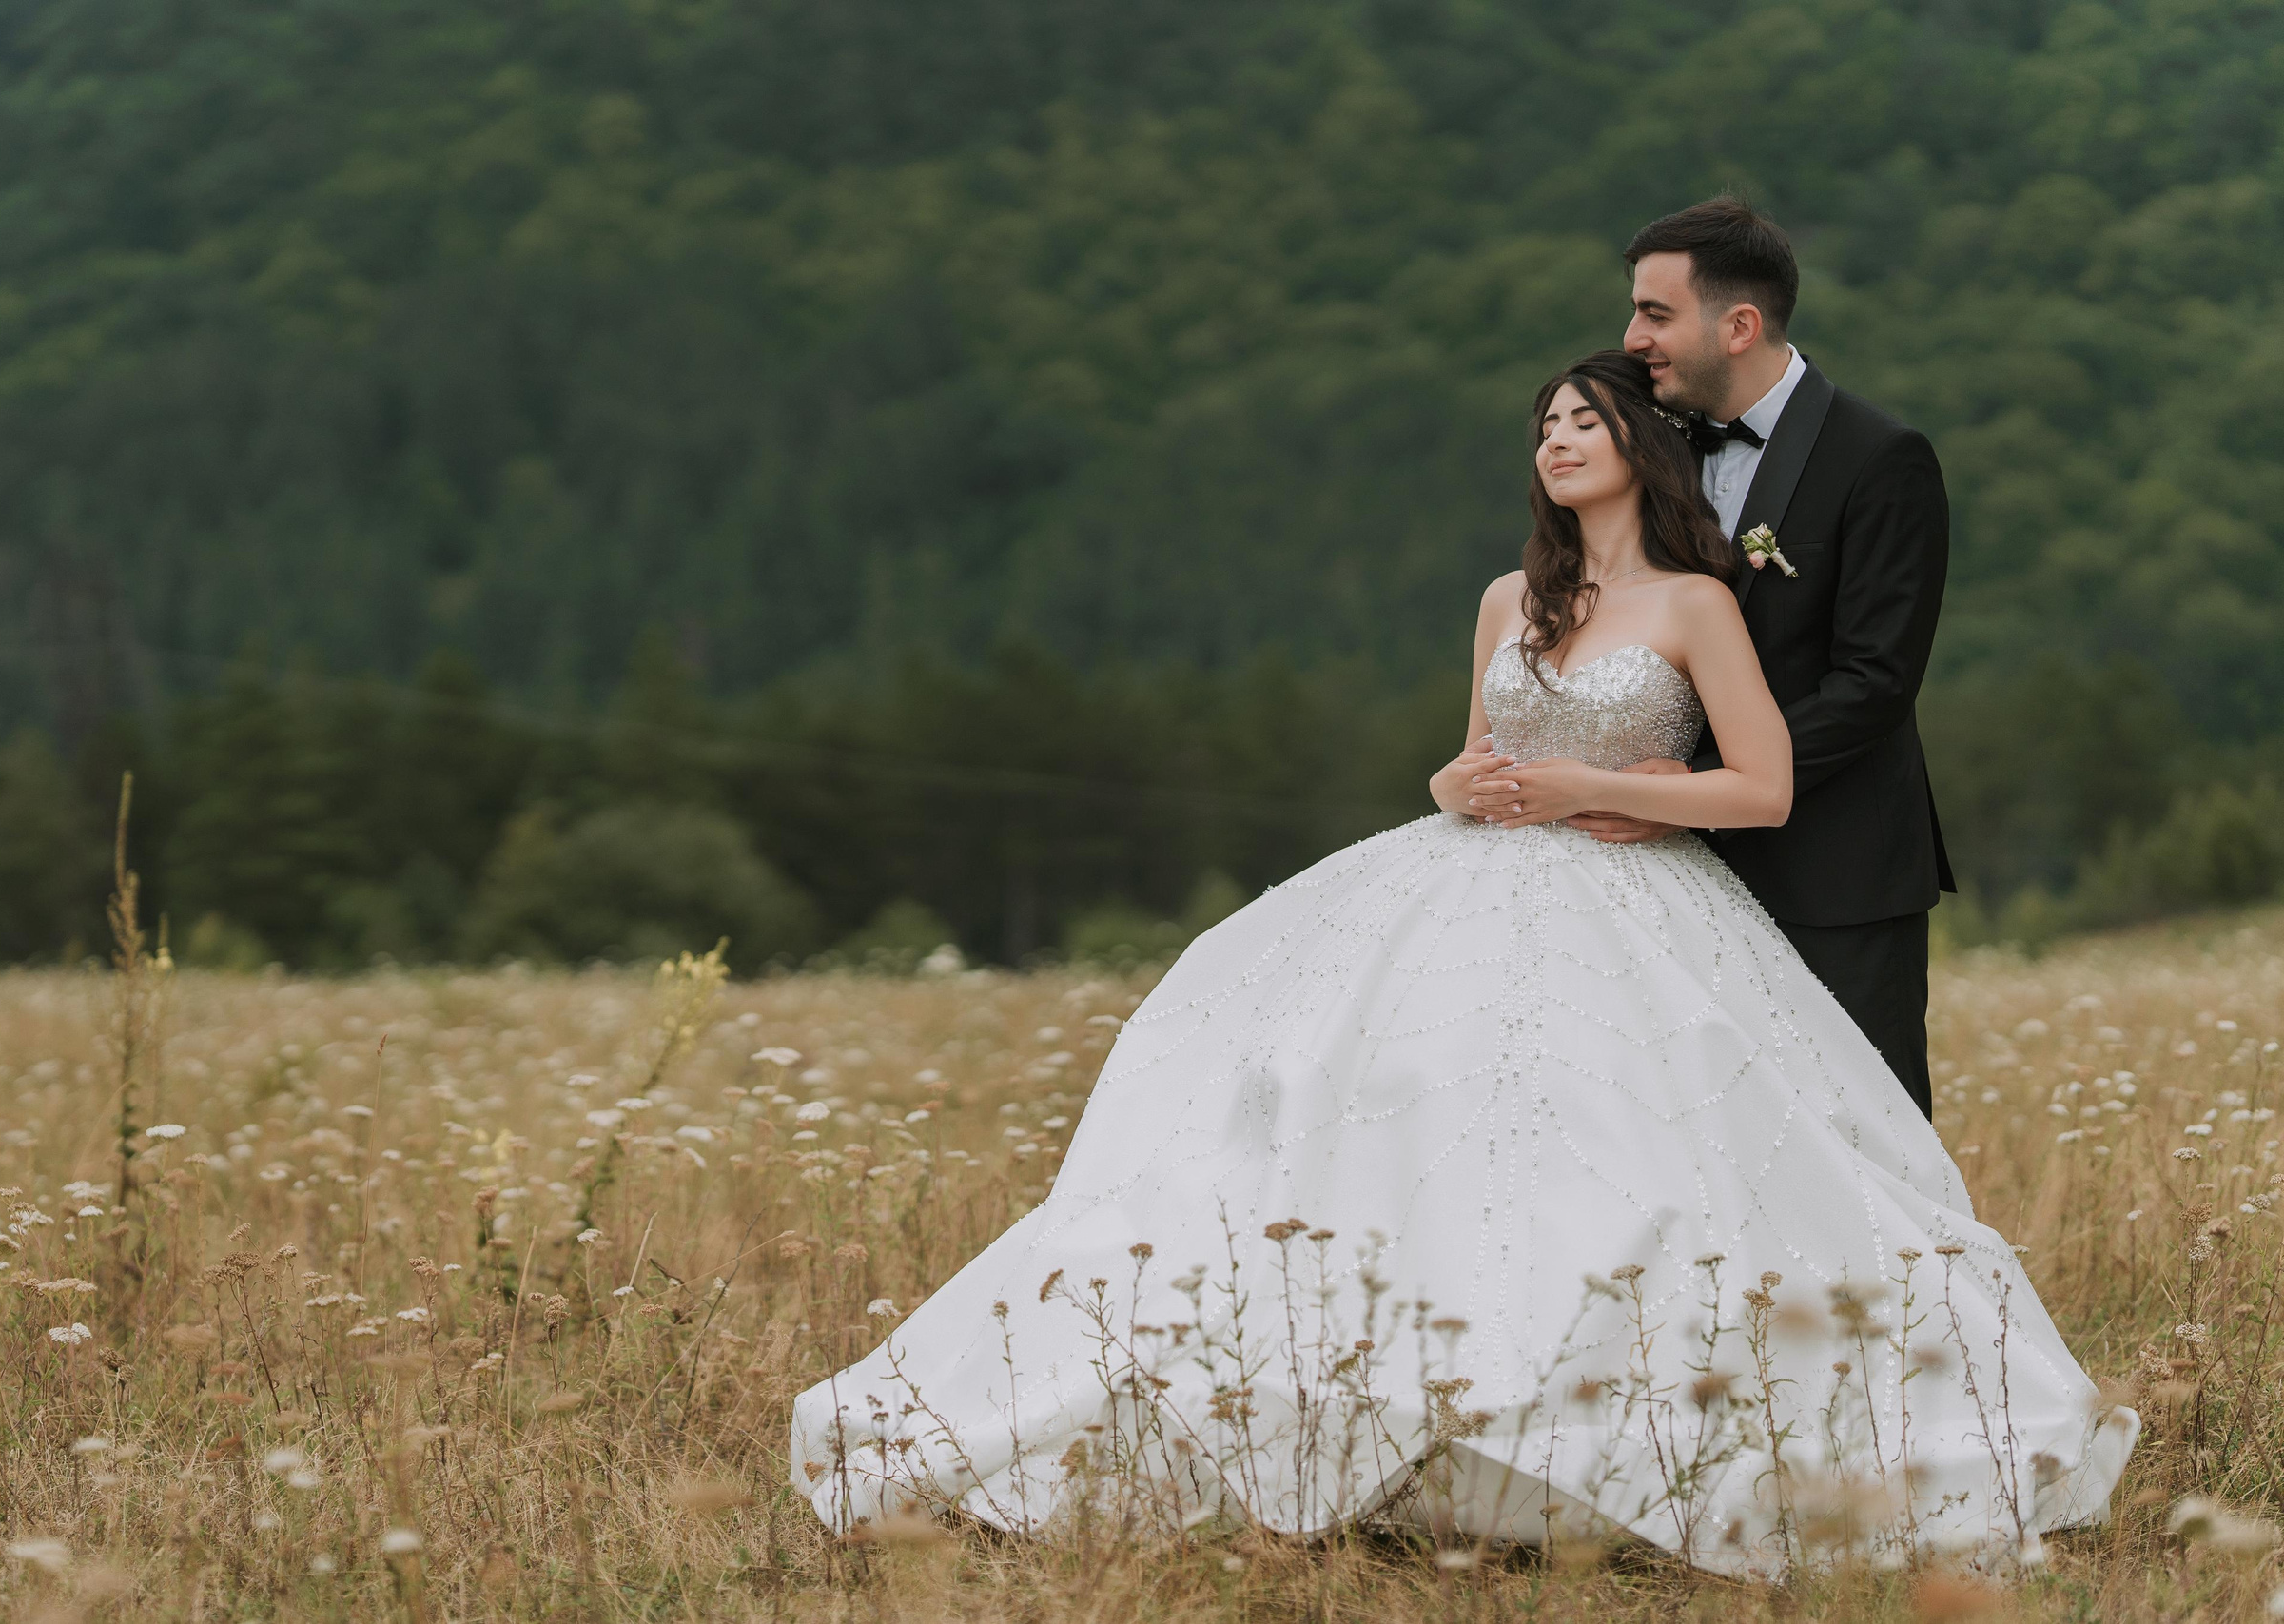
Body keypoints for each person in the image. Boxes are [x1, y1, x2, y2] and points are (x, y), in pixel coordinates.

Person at [789, 351, 2132, 1576]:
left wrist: (1614, 790)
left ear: (1641, 450)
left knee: (1616, 1152)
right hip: (1461, 888)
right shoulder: (1510, 594)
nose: (1557, 439)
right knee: (1386, 1127)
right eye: (1546, 421)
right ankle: (1398, 1414)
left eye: (1586, 419)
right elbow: (1461, 758)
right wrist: (1467, 778)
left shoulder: (1697, 601)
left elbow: (1765, 785)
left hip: (1630, 901)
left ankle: (1591, 1439)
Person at [1463, 197, 1952, 1116]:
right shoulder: (1652, 436)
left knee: (1858, 1126)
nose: (1633, 334)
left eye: (1656, 313)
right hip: (1647, 882)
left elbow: (1875, 680)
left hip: (1829, 865)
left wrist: (1684, 784)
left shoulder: (1880, 457)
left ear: (1738, 325)